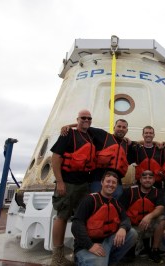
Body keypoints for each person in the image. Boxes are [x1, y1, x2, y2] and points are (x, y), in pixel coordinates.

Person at [50, 109, 96, 266]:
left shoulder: (89, 135)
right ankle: (57, 257)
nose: (86, 120)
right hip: (67, 183)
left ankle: (79, 252)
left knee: (81, 218)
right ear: (77, 119)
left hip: (83, 184)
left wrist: (70, 124)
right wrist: (60, 182)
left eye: (89, 118)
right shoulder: (68, 134)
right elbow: (55, 157)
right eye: (83, 118)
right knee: (62, 216)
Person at [71, 171, 138, 265]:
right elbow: (76, 225)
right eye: (108, 181)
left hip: (107, 242)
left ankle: (110, 262)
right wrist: (90, 246)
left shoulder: (116, 203)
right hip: (87, 246)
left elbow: (125, 219)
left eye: (114, 183)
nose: (111, 185)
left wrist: (123, 228)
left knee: (132, 233)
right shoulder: (90, 200)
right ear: (102, 183)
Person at [119, 169, 165, 263]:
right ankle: (134, 248)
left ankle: (154, 250)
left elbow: (160, 208)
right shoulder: (129, 192)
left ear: (153, 180)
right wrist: (124, 227)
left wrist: (149, 216)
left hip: (149, 226)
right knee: (129, 256)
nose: (147, 180)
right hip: (133, 227)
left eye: (150, 178)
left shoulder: (157, 192)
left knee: (163, 220)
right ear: (140, 180)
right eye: (144, 178)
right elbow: (120, 212)